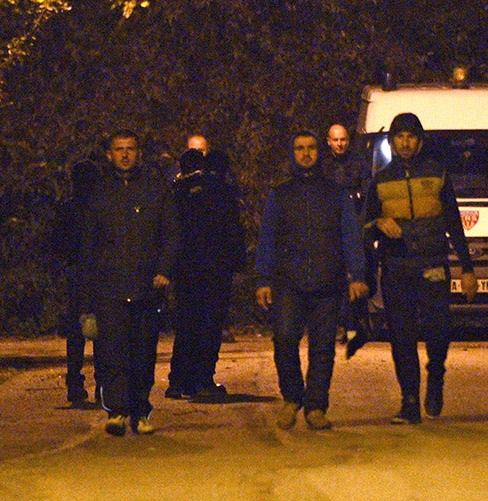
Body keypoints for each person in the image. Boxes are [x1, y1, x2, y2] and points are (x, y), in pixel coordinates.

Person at [363, 112, 477, 424]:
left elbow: (454, 222)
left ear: (420, 140)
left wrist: (467, 269)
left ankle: (436, 373)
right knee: (402, 337)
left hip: (432, 265)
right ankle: (409, 400)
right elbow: (364, 225)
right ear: (391, 141)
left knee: (439, 331)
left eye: (410, 136)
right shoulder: (381, 181)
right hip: (397, 267)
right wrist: (378, 223)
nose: (405, 142)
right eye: (399, 137)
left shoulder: (437, 174)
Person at [255, 130, 369, 431]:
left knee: (322, 349)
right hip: (289, 282)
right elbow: (267, 238)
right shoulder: (281, 194)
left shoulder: (335, 193)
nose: (306, 154)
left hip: (327, 281)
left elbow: (349, 236)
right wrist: (263, 279)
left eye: (311, 148)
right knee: (285, 341)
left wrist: (357, 275)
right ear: (292, 153)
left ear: (319, 152)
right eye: (299, 148)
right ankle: (292, 399)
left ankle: (316, 406)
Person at [80, 129, 179, 436]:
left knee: (143, 352)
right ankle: (117, 411)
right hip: (110, 285)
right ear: (109, 155)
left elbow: (171, 233)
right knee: (111, 352)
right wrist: (89, 288)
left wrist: (164, 269)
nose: (124, 155)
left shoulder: (155, 190)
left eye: (130, 149)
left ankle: (140, 409)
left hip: (146, 286)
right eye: (119, 149)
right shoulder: (99, 193)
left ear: (138, 153)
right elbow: (88, 244)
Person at [166, 146, 245, 403]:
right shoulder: (222, 192)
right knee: (209, 325)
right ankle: (202, 379)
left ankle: (178, 380)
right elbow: (233, 230)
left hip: (186, 269)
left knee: (187, 324)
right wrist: (238, 264)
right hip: (214, 270)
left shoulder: (178, 191)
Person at [50, 158, 101, 407]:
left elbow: (56, 244)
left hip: (78, 274)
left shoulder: (68, 208)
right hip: (95, 274)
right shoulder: (100, 208)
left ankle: (75, 382)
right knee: (102, 331)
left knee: (77, 333)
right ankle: (102, 383)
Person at [319, 122, 372, 344]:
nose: (340, 144)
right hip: (331, 231)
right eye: (336, 140)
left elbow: (368, 192)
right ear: (329, 141)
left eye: (343, 140)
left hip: (354, 228)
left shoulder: (358, 163)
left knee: (356, 278)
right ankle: (338, 326)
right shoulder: (323, 165)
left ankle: (353, 327)